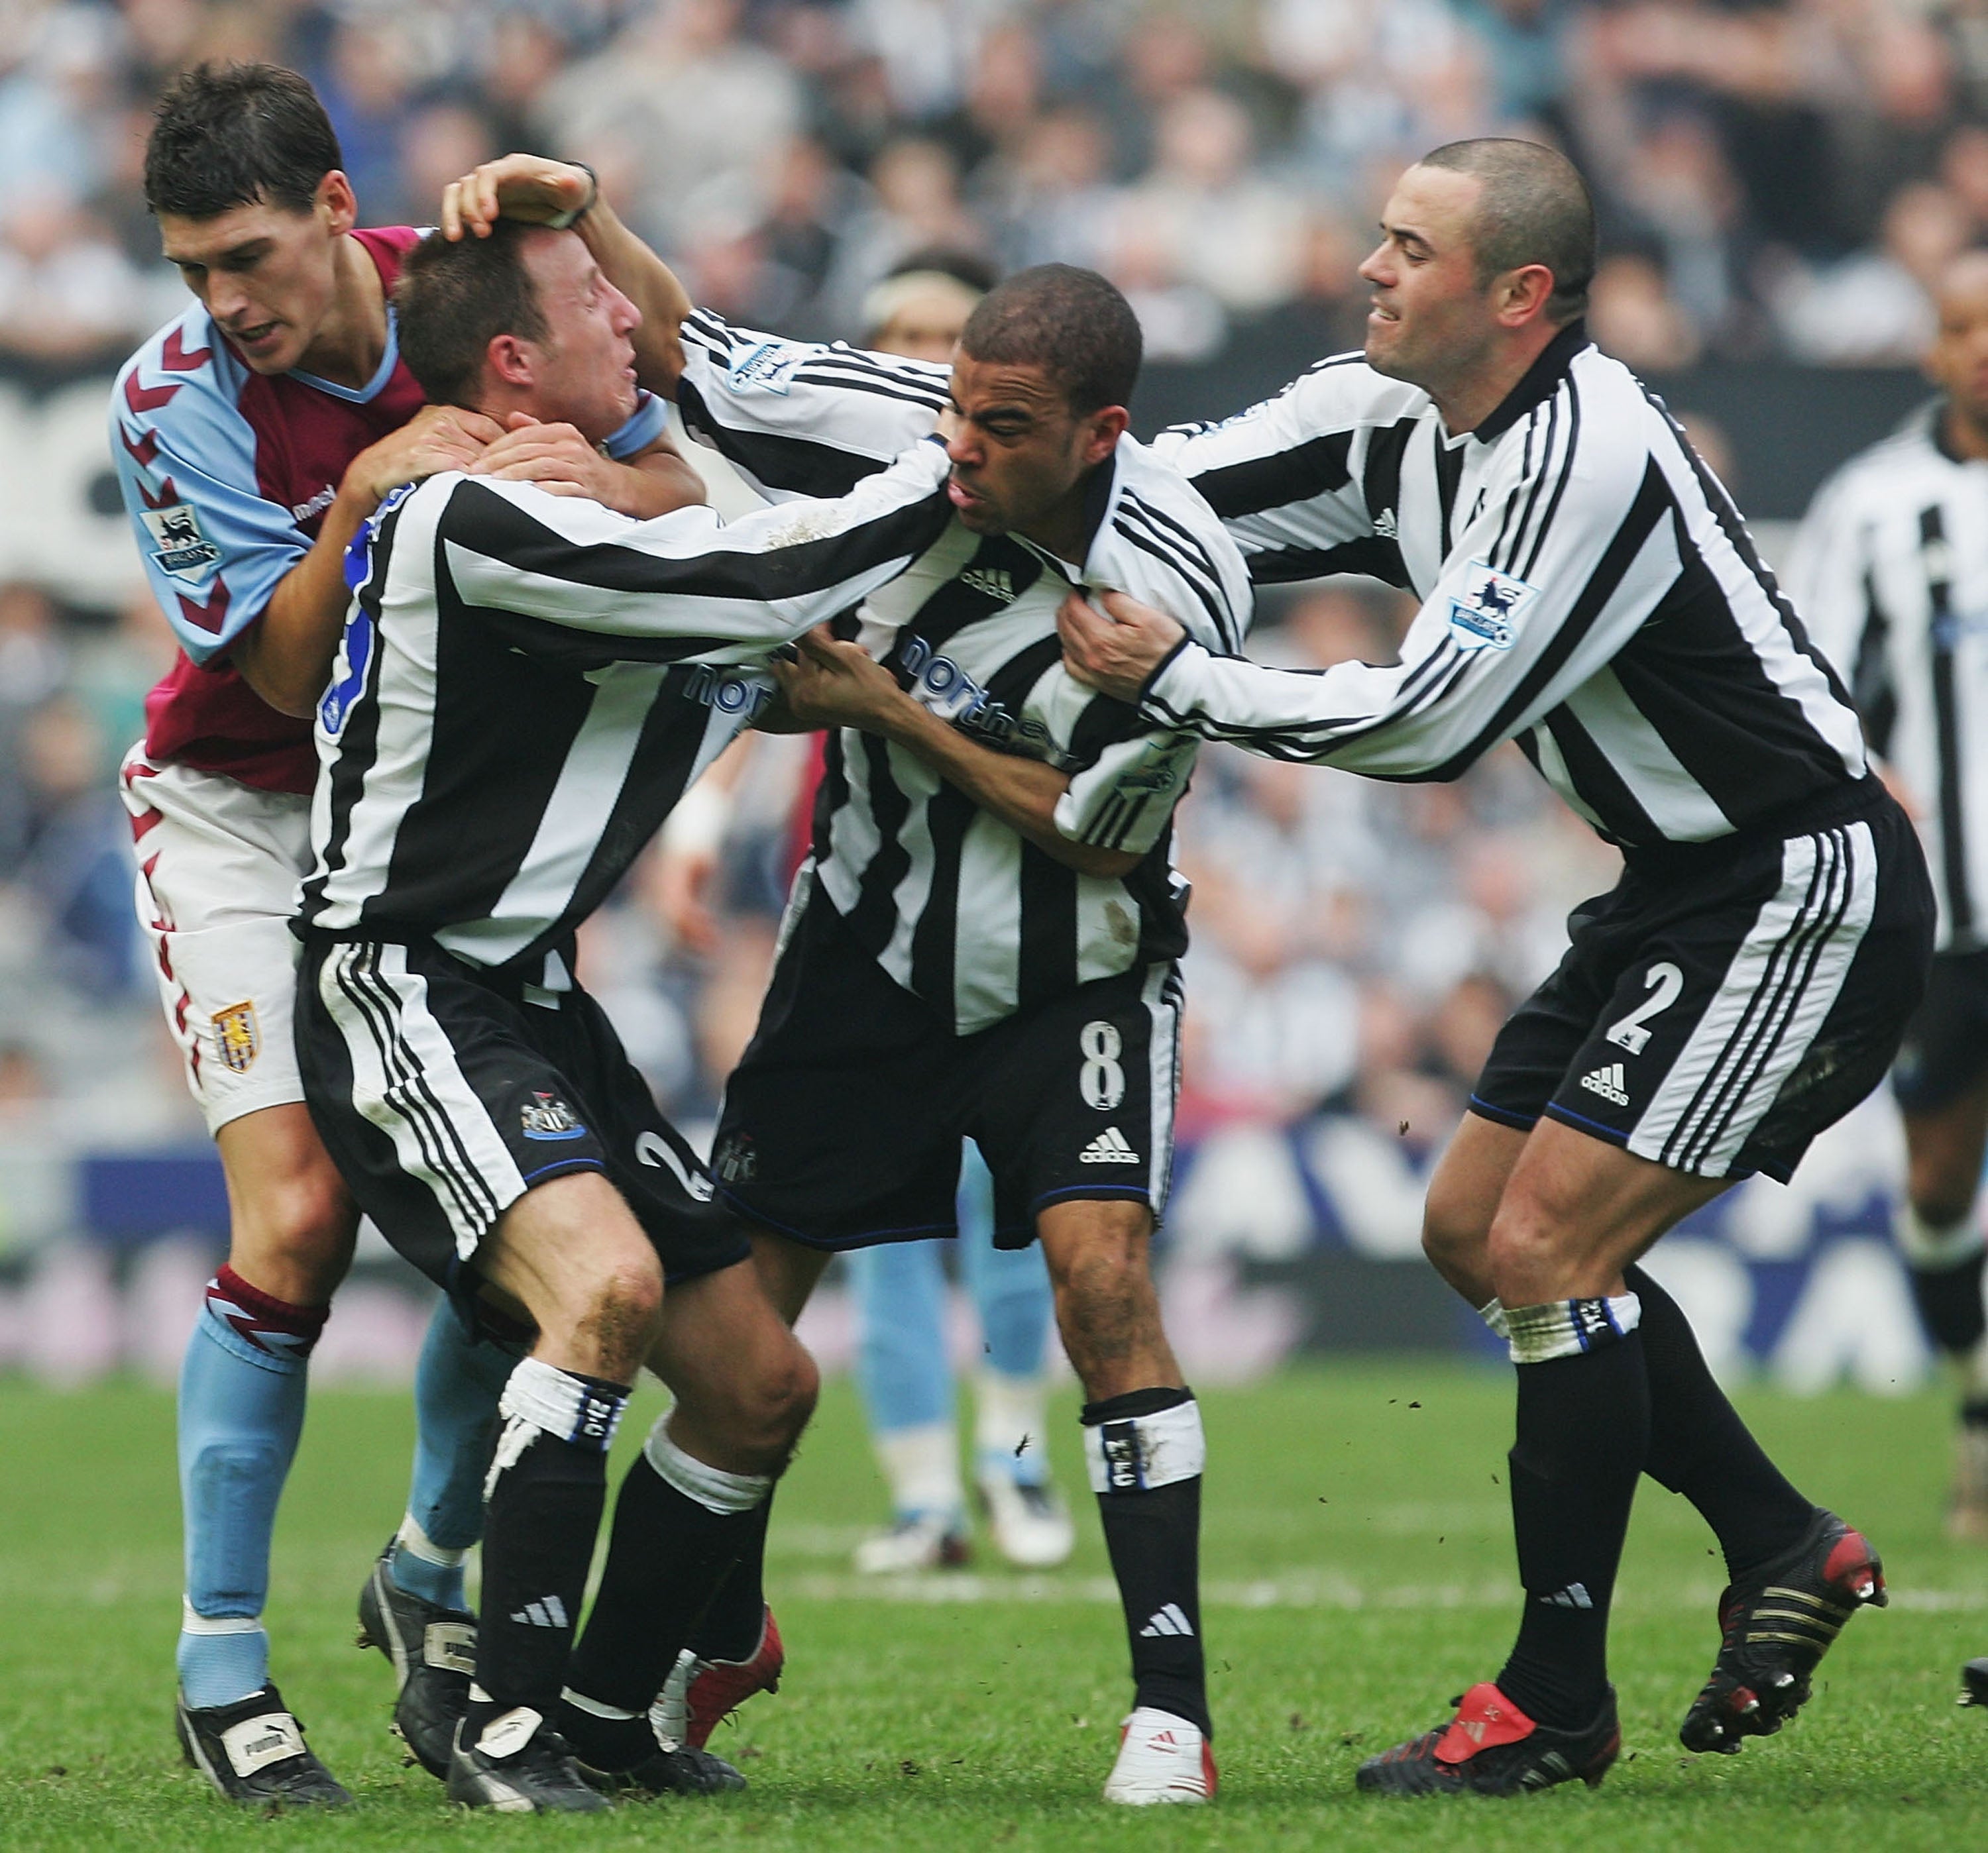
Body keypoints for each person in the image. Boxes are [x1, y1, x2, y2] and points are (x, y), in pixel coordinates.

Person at [1057, 137, 1934, 1797]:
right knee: (1472, 1228)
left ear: (1520, 293)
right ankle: (1781, 1538)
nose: (1370, 267)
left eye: (1411, 246)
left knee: (1546, 1247)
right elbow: (1153, 492)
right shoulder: (1387, 410)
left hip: (1794, 881)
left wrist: (1182, 681)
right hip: (1676, 883)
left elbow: (1429, 721)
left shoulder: (1583, 448)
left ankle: (1553, 1701)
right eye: (1380, 235)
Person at [295, 217, 961, 1811]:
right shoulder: (471, 513)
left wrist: (663, 482)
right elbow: (760, 578)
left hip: (532, 997)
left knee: (759, 1387)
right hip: (403, 979)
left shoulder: (595, 500)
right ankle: (503, 1722)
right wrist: (963, 465)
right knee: (600, 1288)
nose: (630, 316)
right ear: (514, 362)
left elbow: (730, 556)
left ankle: (600, 1715)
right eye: (596, 300)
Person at [108, 63, 696, 1808]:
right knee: (296, 1214)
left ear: (333, 206)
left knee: (515, 1224)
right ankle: (223, 1665)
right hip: (241, 813)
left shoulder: (468, 300)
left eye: (248, 255)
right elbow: (285, 676)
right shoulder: (173, 400)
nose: (226, 299)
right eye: (193, 268)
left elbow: (684, 477)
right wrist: (370, 489)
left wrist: (598, 478)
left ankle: (426, 1569)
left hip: (438, 825)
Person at [681, 264, 1246, 1805]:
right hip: (864, 959)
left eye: (1003, 422)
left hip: (1077, 974)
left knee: (1100, 1282)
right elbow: (674, 351)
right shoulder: (888, 468)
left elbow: (1100, 838)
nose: (963, 448)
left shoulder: (1167, 592)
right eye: (952, 405)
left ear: (1099, 432)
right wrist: (575, 207)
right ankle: (711, 1633)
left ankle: (1171, 1712)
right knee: (740, 1321)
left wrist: (887, 710)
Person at [1787, 249, 1988, 1542]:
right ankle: (1978, 1406)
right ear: (1933, 347)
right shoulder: (1871, 507)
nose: (1987, 347)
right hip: (1950, 919)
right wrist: (1873, 779)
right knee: (1939, 1181)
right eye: (1966, 326)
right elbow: (1805, 690)